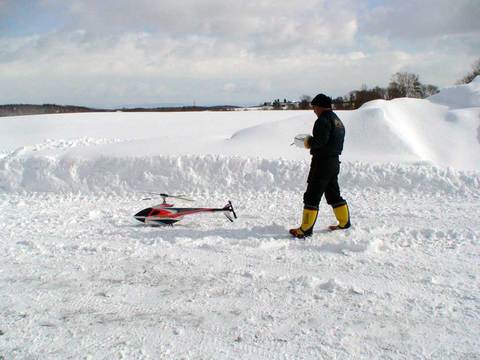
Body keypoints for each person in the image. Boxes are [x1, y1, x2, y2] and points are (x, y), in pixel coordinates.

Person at [289, 93, 350, 238]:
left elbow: (320, 142)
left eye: (314, 107)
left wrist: (307, 142)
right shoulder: (337, 120)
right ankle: (344, 223)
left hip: (322, 163)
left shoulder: (322, 120)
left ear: (320, 106)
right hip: (334, 162)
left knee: (312, 195)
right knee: (333, 193)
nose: (313, 110)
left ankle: (305, 229)